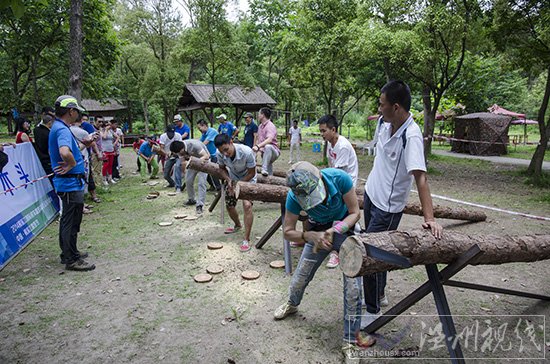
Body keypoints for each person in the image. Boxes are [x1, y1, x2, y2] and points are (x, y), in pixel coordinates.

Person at [362, 80, 442, 328]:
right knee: (382, 253)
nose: (379, 108)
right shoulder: (384, 123)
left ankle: (372, 311)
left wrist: (429, 218)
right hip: (371, 196)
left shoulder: (412, 135)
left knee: (369, 254)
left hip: (388, 208)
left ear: (396, 107)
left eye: (382, 104)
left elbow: (421, 178)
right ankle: (380, 295)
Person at [273, 161, 372, 359]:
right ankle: (292, 303)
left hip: (345, 230)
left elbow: (355, 213)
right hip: (316, 232)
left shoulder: (339, 178)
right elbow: (288, 232)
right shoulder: (294, 197)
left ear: (320, 179)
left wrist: (336, 231)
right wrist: (309, 237)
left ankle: (351, 341)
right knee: (300, 276)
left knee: (353, 289)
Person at [49, 95, 95, 271]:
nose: (78, 115)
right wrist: (72, 164)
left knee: (70, 220)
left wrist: (85, 145)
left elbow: (71, 151)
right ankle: (71, 258)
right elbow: (64, 151)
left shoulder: (60, 127)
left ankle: (69, 252)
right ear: (71, 111)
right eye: (77, 111)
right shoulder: (61, 130)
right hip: (69, 184)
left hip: (70, 183)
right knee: (71, 220)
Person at [318, 114, 360, 268]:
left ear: (333, 129)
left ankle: (336, 252)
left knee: (339, 215)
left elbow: (339, 176)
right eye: (321, 131)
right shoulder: (331, 143)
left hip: (346, 184)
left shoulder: (342, 145)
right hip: (337, 181)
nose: (322, 134)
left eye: (324, 131)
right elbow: (331, 167)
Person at [214, 134, 257, 252]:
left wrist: (238, 185)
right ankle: (237, 225)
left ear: (231, 142)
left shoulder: (247, 152)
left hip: (248, 179)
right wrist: (229, 181)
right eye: (222, 151)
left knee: (247, 205)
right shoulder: (220, 154)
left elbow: (252, 173)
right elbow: (221, 169)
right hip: (233, 178)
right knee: (229, 205)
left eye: (226, 150)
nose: (225, 154)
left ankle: (246, 239)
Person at [170, 140, 210, 215]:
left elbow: (206, 156)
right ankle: (191, 199)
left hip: (204, 162)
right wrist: (185, 172)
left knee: (201, 183)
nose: (179, 154)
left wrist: (197, 162)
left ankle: (200, 205)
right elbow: (182, 162)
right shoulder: (179, 150)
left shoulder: (194, 145)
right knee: (188, 180)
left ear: (182, 148)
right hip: (192, 163)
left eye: (179, 152)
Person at [80, 114, 102, 203]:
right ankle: (83, 201)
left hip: (87, 155)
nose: (84, 122)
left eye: (86, 120)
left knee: (90, 176)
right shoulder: (71, 129)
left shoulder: (88, 128)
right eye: (83, 120)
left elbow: (93, 142)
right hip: (79, 157)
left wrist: (98, 152)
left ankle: (93, 195)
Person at [253, 107, 280, 176]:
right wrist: (255, 150)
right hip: (264, 152)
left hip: (273, 151)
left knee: (268, 146)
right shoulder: (260, 126)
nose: (258, 115)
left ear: (263, 115)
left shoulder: (270, 126)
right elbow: (259, 139)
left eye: (259, 114)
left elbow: (269, 140)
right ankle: (270, 180)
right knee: (269, 165)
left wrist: (258, 146)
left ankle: (263, 169)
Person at [197, 119, 221, 191]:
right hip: (208, 155)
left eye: (199, 128)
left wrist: (197, 149)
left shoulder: (212, 131)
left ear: (204, 125)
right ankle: (212, 186)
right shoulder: (204, 133)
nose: (199, 130)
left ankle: (218, 188)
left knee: (213, 172)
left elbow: (204, 143)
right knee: (205, 172)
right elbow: (199, 142)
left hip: (215, 155)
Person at [33, 107, 55, 184]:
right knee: (52, 179)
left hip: (39, 157)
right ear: (49, 123)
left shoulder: (36, 130)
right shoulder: (49, 134)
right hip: (48, 158)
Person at [159, 125, 183, 191]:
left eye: (172, 133)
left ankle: (178, 187)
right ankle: (172, 183)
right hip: (169, 156)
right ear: (166, 132)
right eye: (169, 133)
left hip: (178, 155)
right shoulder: (163, 136)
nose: (171, 135)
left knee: (177, 167)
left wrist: (174, 153)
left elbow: (180, 147)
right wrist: (166, 154)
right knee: (166, 175)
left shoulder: (178, 135)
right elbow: (161, 148)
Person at [99, 120, 119, 185]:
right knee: (105, 165)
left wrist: (114, 144)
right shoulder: (101, 131)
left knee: (111, 164)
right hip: (105, 150)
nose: (109, 126)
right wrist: (106, 130)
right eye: (108, 125)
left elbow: (117, 137)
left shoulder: (111, 131)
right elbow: (104, 137)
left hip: (111, 150)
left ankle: (110, 178)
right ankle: (104, 179)